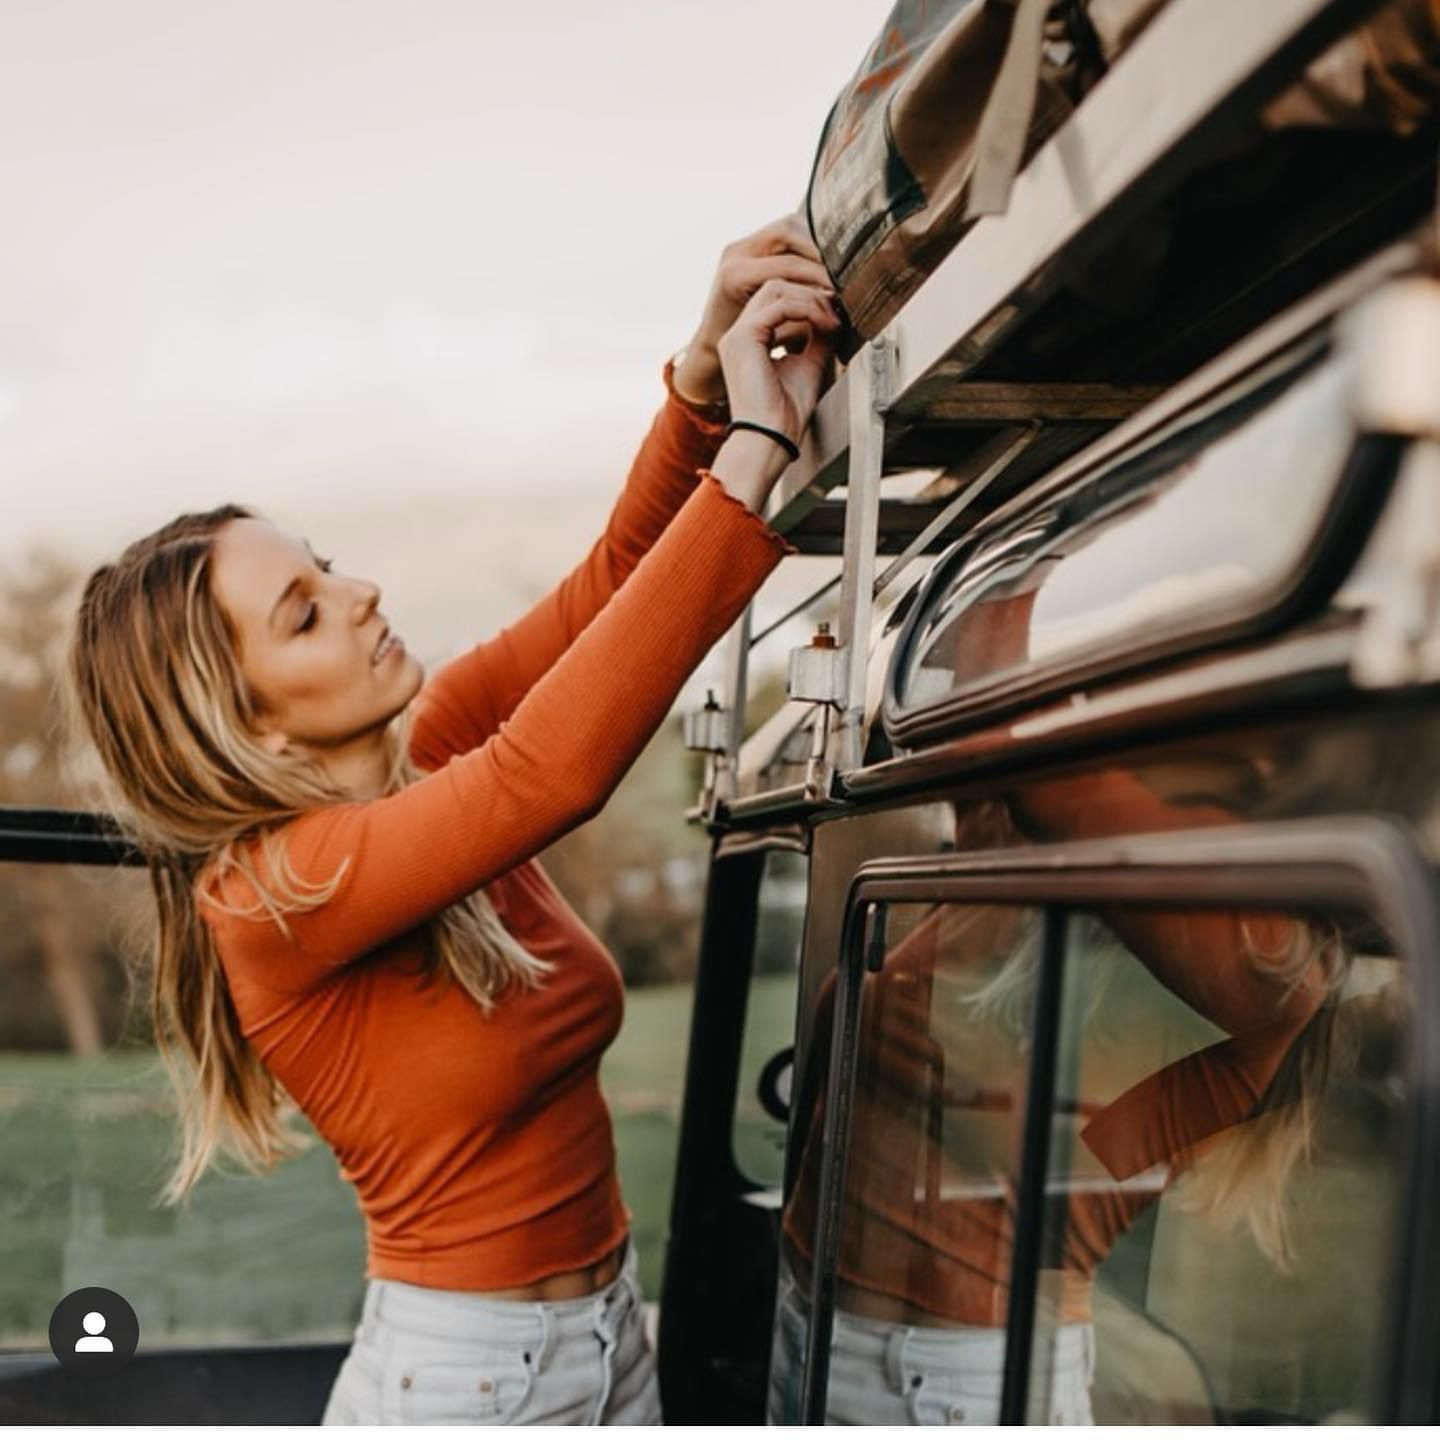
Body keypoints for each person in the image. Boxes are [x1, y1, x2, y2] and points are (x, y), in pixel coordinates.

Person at [64, 214, 839, 1426]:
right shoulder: (271, 891)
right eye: (306, 614)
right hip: (467, 1385)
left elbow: (599, 602)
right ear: (251, 724)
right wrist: (755, 449)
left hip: (605, 1342)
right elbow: (549, 774)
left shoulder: (426, 754)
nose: (362, 591)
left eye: (326, 565)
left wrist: (696, 387)